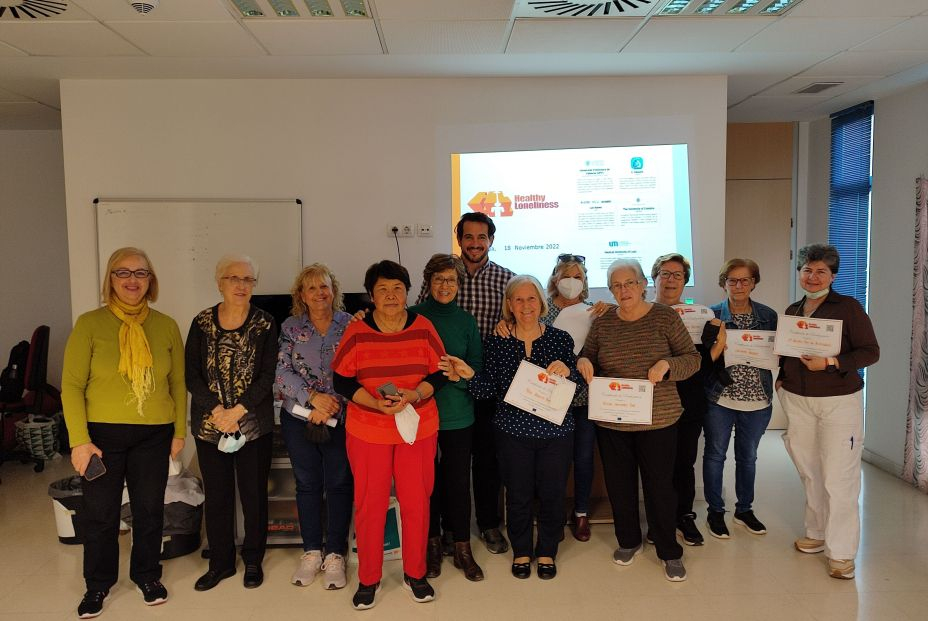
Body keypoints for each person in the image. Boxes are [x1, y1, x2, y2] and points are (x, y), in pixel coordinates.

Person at [62, 247, 186, 619]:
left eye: (141, 273)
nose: (132, 280)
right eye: (123, 273)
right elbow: (70, 386)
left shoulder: (165, 325)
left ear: (151, 280)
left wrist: (180, 430)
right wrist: (79, 440)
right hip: (101, 436)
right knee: (100, 514)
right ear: (110, 280)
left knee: (149, 510)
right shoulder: (89, 323)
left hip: (155, 434)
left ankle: (147, 576)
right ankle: (97, 585)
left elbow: (178, 384)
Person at [443, 275, 579, 581]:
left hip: (555, 434)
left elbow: (578, 385)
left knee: (552, 493)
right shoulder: (497, 341)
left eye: (531, 298)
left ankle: (546, 550)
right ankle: (521, 550)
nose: (525, 305)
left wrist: (569, 371)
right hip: (511, 432)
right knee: (517, 495)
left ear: (541, 303)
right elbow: (487, 390)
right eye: (518, 299)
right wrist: (467, 375)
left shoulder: (560, 339)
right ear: (509, 305)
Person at [333, 260, 448, 610]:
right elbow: (342, 380)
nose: (391, 295)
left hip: (417, 427)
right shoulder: (357, 331)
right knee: (370, 504)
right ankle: (369, 578)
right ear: (371, 295)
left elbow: (440, 373)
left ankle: (416, 573)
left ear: (408, 292)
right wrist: (374, 403)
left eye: (397, 288)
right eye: (382, 289)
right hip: (369, 429)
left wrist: (414, 395)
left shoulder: (423, 327)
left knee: (416, 501)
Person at [577, 259, 699, 582]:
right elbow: (587, 354)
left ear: (643, 284)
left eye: (629, 283)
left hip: (658, 420)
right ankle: (628, 541)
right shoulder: (604, 322)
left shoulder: (665, 317)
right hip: (613, 420)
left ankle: (668, 550)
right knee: (619, 485)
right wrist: (585, 363)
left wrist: (667, 366)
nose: (623, 290)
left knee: (659, 486)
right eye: (616, 285)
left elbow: (693, 359)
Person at [779, 244, 879, 580]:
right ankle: (817, 532)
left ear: (833, 276)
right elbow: (784, 351)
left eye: (820, 271)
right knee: (810, 470)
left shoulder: (848, 308)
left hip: (839, 401)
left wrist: (833, 362)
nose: (812, 276)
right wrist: (781, 381)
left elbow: (870, 352)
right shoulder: (793, 310)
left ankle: (842, 553)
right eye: (807, 270)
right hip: (797, 399)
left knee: (840, 477)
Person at [418, 212, 514, 554]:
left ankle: (487, 524)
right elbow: (410, 315)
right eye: (469, 236)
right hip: (440, 386)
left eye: (482, 237)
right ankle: (443, 531)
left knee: (487, 459)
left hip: (488, 381)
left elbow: (535, 316)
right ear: (460, 239)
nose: (475, 243)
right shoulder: (442, 271)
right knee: (441, 466)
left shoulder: (507, 279)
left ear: (491, 240)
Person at [496, 254, 608, 541]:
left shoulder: (596, 310)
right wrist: (504, 325)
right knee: (538, 469)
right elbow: (522, 330)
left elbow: (602, 345)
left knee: (582, 458)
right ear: (554, 279)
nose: (571, 281)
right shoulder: (540, 309)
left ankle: (580, 512)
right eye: (565, 275)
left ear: (585, 281)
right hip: (541, 403)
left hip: (581, 396)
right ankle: (539, 520)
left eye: (578, 276)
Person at [185, 255, 278, 591]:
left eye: (248, 279)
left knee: (254, 496)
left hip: (253, 426)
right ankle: (221, 563)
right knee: (218, 496)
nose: (241, 285)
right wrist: (216, 412)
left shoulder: (266, 323)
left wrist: (237, 410)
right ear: (219, 282)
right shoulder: (202, 322)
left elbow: (268, 375)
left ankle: (253, 560)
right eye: (233, 278)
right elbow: (191, 375)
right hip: (210, 428)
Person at [276, 263, 353, 590]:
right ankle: (311, 551)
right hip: (298, 417)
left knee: (338, 483)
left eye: (325, 286)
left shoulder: (349, 324)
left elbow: (357, 368)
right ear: (301, 295)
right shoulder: (291, 327)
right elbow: (281, 373)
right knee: (306, 484)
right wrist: (313, 399)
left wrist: (330, 402)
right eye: (312, 288)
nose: (320, 293)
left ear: (333, 290)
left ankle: (335, 553)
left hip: (341, 415)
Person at [409, 254, 485, 581]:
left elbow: (477, 370)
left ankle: (462, 546)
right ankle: (432, 544)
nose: (445, 286)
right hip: (419, 415)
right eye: (439, 279)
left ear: (459, 284)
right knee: (426, 484)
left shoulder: (467, 322)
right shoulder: (411, 317)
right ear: (428, 282)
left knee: (457, 482)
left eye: (451, 280)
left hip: (458, 415)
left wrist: (459, 377)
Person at [701, 258, 778, 540]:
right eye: (732, 280)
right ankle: (715, 511)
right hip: (720, 397)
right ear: (724, 283)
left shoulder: (769, 316)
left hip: (758, 399)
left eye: (745, 280)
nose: (739, 285)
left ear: (754, 282)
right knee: (715, 456)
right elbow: (704, 361)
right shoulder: (711, 314)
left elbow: (778, 352)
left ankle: (744, 510)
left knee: (748, 458)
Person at [651, 253, 709, 546]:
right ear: (654, 278)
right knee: (657, 464)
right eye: (665, 273)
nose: (670, 279)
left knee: (684, 462)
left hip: (688, 399)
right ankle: (658, 520)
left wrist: (717, 338)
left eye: (677, 275)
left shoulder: (701, 317)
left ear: (685, 281)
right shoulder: (642, 312)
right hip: (653, 401)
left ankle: (684, 516)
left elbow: (706, 362)